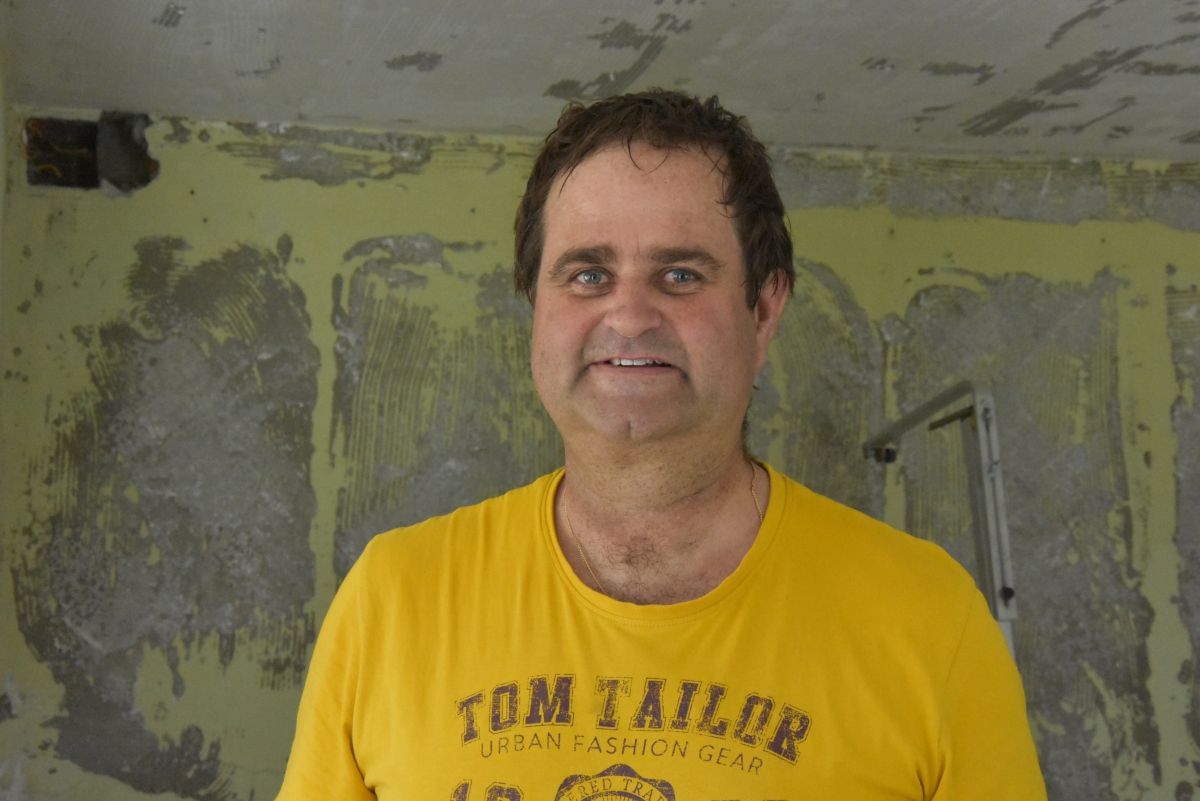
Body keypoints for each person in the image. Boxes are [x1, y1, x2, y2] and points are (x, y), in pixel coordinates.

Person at [276, 90, 1047, 800]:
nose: (629, 315)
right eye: (587, 274)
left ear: (764, 311)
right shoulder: (390, 603)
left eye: (679, 274)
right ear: (536, 307)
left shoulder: (929, 621)